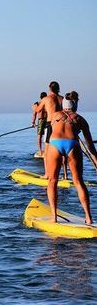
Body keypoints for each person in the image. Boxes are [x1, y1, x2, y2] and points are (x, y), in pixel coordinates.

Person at [45, 94, 97, 224]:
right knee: (79, 182)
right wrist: (96, 160)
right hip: (72, 145)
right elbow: (89, 145)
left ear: (63, 105)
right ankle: (89, 217)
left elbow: (49, 127)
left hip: (55, 145)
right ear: (75, 105)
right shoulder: (81, 120)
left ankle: (54, 217)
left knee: (52, 181)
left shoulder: (54, 115)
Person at [35, 81, 64, 178]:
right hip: (61, 125)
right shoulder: (62, 99)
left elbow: (38, 110)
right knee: (61, 150)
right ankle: (64, 175)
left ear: (49, 88)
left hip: (50, 125)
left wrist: (34, 106)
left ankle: (47, 174)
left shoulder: (46, 99)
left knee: (47, 151)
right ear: (58, 88)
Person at [31, 92, 48, 157]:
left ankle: (44, 150)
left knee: (45, 136)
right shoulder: (37, 104)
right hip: (41, 121)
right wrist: (33, 123)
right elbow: (34, 114)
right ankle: (40, 150)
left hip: (47, 120)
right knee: (40, 136)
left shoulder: (47, 103)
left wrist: (33, 122)